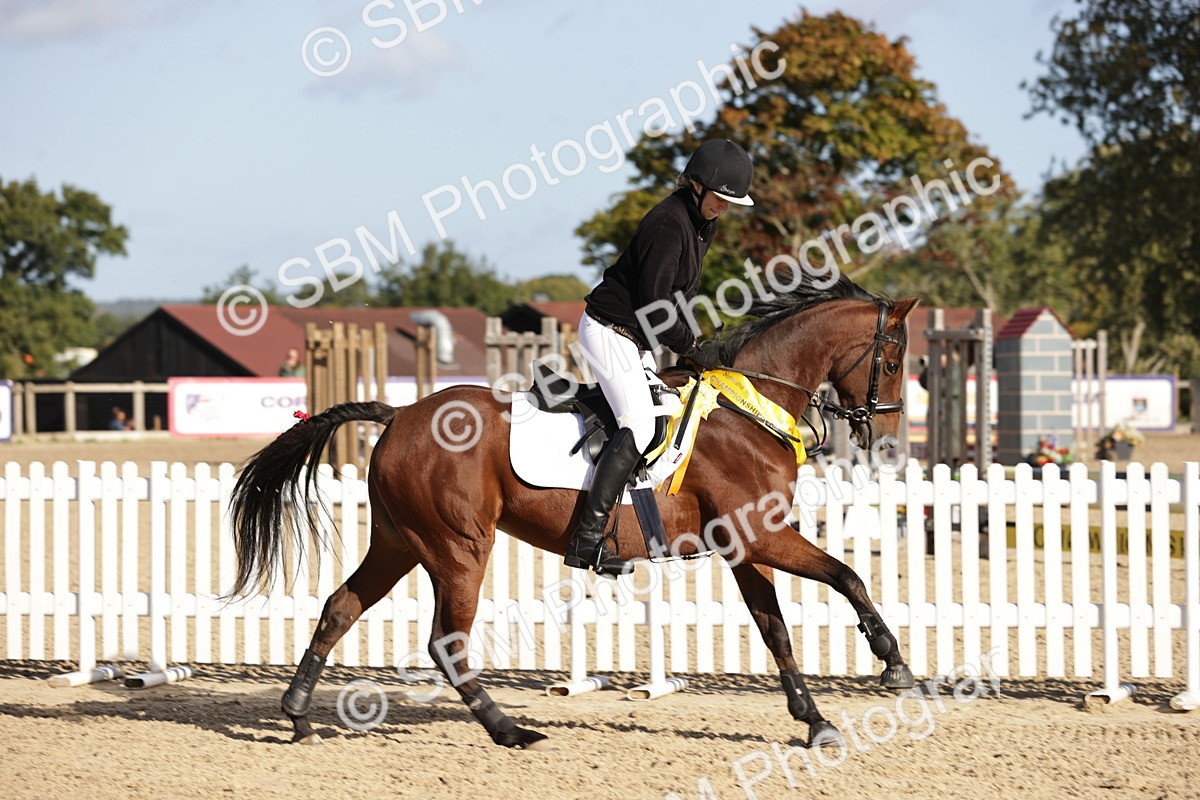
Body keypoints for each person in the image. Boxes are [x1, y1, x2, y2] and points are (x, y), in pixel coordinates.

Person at [565, 138, 754, 576]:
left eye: (730, 202)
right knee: (638, 422)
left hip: (639, 339)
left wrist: (698, 342)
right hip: (609, 331)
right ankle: (587, 539)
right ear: (695, 186)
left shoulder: (702, 223)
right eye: (721, 198)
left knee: (672, 415)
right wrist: (690, 346)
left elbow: (678, 297)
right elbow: (654, 304)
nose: (725, 208)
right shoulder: (670, 223)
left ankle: (644, 527)